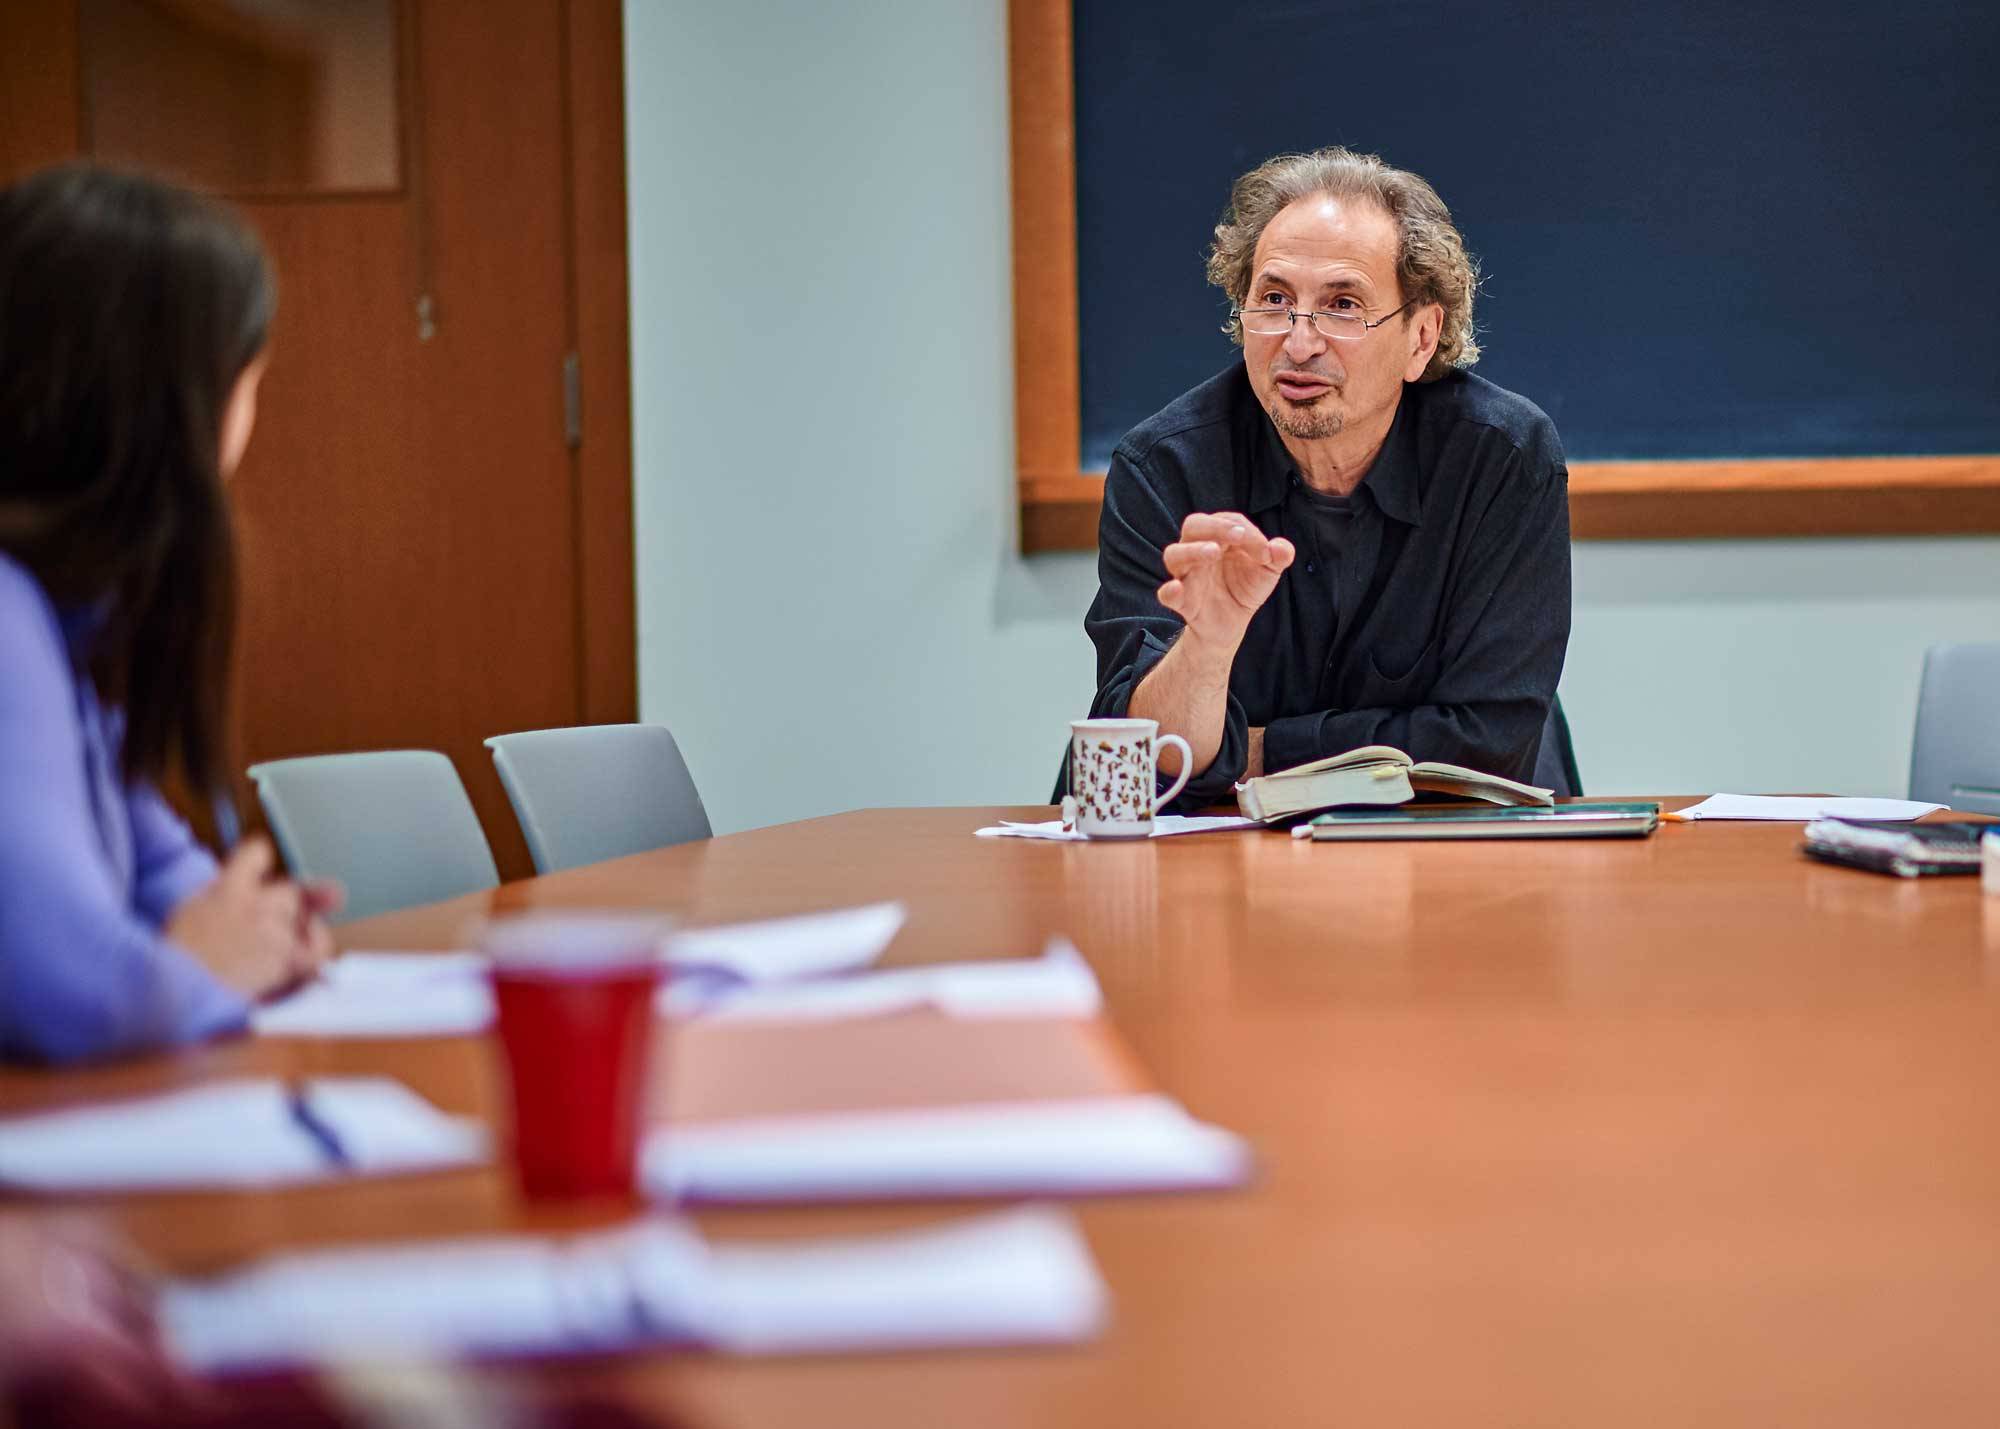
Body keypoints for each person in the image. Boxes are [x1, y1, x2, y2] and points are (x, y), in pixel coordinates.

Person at [1079, 146, 1571, 809]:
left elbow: (1488, 742)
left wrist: (1261, 751)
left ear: (1422, 336)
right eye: (1275, 299)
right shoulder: (1165, 468)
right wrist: (1208, 646)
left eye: (1342, 305)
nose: (1299, 342)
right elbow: (1145, 760)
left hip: (1449, 850)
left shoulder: (1501, 459)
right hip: (1216, 856)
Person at [0, 164, 337, 1064]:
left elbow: (155, 865)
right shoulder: (5, 615)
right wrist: (206, 967)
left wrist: (254, 927)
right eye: (249, 377)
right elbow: (76, 992)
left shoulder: (67, 613)